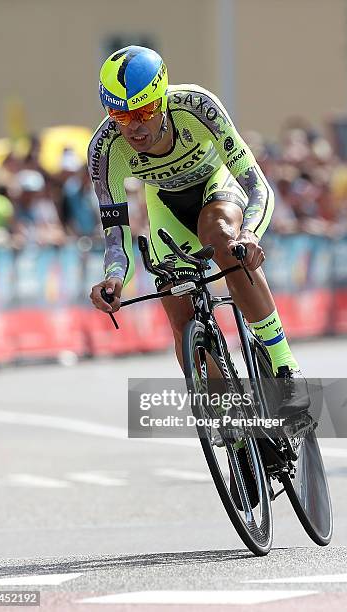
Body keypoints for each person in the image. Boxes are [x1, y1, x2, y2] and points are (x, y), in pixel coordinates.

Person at [88, 45, 310, 416]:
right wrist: (113, 278)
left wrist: (250, 233)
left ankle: (284, 366)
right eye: (120, 115)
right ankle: (230, 423)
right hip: (165, 206)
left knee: (222, 237)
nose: (134, 127)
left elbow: (257, 186)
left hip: (215, 187)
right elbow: (116, 236)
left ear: (161, 100)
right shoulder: (105, 150)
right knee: (179, 314)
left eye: (143, 112)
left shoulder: (197, 107)